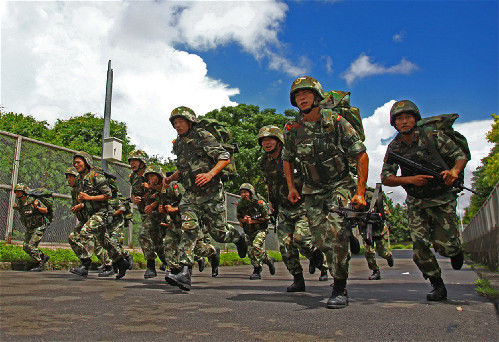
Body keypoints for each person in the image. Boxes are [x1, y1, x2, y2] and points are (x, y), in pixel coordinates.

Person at [282, 76, 369, 309]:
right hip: (311, 190)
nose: (302, 98)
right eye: (297, 95)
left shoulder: (336, 121)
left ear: (317, 96)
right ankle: (333, 255)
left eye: (306, 93)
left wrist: (359, 192)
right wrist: (291, 187)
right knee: (319, 240)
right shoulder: (291, 128)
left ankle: (340, 287)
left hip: (338, 185)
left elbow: (361, 154)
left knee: (335, 232)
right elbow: (287, 159)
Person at [381, 100, 467, 301]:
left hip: (442, 198)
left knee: (445, 246)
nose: (404, 122)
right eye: (399, 118)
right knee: (419, 246)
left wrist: (453, 172)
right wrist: (411, 180)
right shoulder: (394, 148)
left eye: (408, 117)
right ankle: (437, 285)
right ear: (394, 123)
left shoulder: (432, 136)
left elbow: (459, 155)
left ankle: (455, 250)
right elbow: (386, 177)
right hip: (417, 201)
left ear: (416, 119)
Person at [163, 106, 247, 291]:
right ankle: (184, 272)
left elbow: (224, 157)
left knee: (219, 233)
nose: (177, 125)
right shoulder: (178, 144)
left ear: (190, 121)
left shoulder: (203, 136)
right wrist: (171, 178)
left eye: (180, 121)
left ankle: (238, 237)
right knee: (188, 229)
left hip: (211, 192)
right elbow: (185, 167)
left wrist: (210, 174)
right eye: (174, 122)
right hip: (191, 194)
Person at [257, 125, 328, 292]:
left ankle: (320, 261)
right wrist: (271, 204)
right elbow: (269, 183)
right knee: (286, 246)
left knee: (301, 239)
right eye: (264, 140)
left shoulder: (294, 157)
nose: (267, 143)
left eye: (271, 139)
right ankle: (298, 279)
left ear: (279, 140)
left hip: (303, 205)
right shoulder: (264, 162)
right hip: (282, 208)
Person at [70, 151, 130, 279]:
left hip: (101, 212)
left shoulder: (96, 175)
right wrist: (81, 202)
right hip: (89, 213)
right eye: (74, 163)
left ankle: (85, 264)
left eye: (78, 162)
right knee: (104, 242)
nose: (76, 165)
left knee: (85, 232)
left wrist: (90, 197)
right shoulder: (78, 179)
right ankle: (121, 262)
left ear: (86, 162)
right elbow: (82, 196)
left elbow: (107, 194)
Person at [158, 177, 220, 278]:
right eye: (148, 178)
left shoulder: (175, 187)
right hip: (175, 224)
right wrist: (163, 210)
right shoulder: (160, 193)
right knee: (169, 245)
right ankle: (175, 271)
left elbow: (191, 203)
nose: (149, 182)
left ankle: (213, 252)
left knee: (197, 250)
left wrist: (174, 209)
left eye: (152, 177)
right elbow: (166, 207)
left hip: (188, 222)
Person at [66, 167, 114, 277]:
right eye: (67, 177)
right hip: (85, 219)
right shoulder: (74, 190)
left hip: (96, 216)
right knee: (73, 237)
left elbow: (96, 200)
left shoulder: (87, 185)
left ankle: (110, 264)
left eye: (70, 177)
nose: (68, 180)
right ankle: (85, 262)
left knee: (98, 242)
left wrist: (82, 204)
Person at [236, 183, 275, 280]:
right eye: (242, 193)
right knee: (250, 251)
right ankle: (268, 260)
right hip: (249, 230)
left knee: (256, 246)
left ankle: (257, 270)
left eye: (245, 192)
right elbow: (239, 217)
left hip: (260, 229)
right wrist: (244, 220)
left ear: (251, 192)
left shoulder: (259, 203)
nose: (244, 194)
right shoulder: (240, 204)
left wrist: (252, 221)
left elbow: (267, 218)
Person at [12, 183, 50, 272]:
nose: (17, 193)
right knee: (25, 247)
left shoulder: (33, 200)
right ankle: (43, 256)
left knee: (31, 246)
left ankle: (40, 263)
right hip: (30, 227)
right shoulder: (21, 202)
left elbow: (45, 210)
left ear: (24, 192)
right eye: (16, 191)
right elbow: (25, 210)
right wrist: (17, 208)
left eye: (19, 191)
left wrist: (37, 207)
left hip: (39, 226)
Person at [361, 187, 394, 280]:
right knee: (368, 251)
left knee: (383, 252)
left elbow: (387, 212)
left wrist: (375, 216)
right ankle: (375, 271)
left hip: (379, 229)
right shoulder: (352, 198)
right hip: (367, 229)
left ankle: (389, 256)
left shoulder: (372, 196)